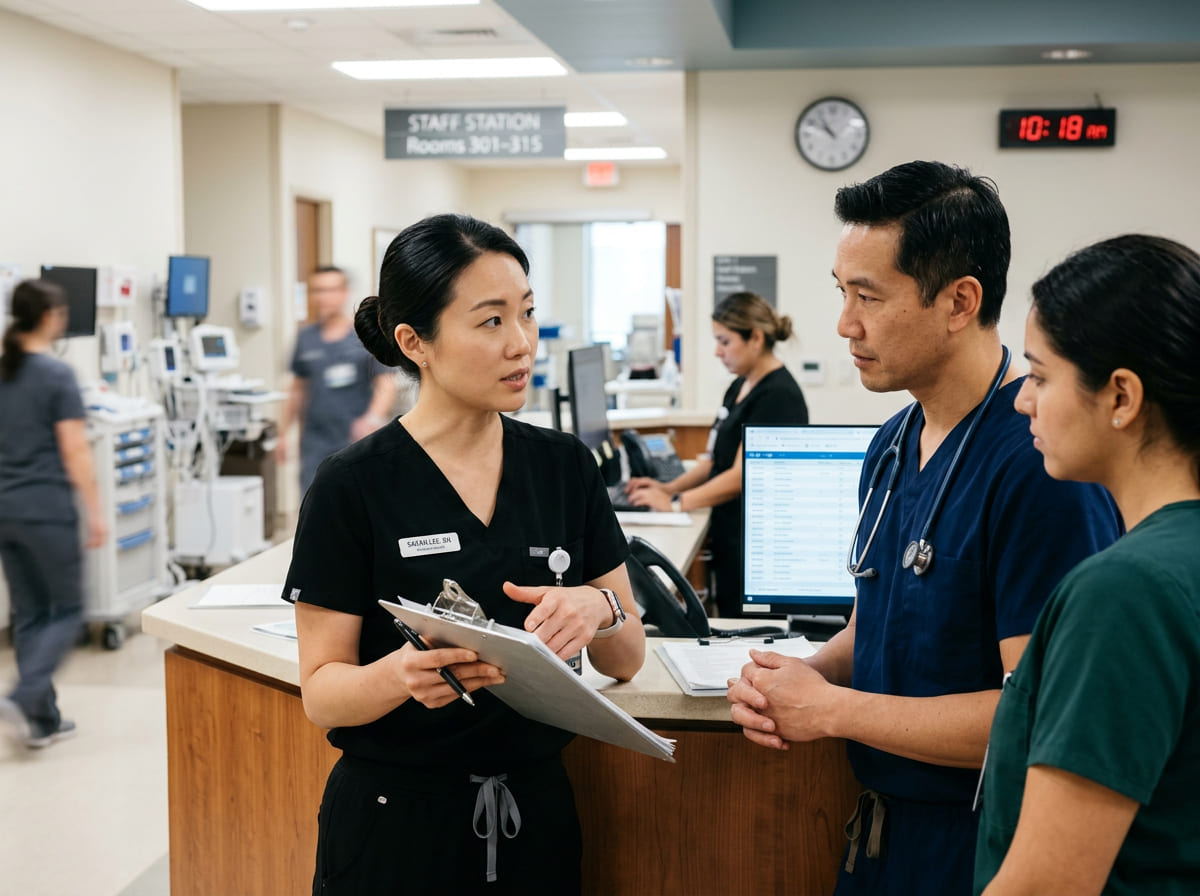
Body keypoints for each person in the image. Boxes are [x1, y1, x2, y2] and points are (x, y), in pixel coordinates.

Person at [726, 160, 1122, 895]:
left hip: (975, 842)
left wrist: (835, 711)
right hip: (878, 835)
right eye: (842, 293)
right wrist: (806, 676)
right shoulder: (892, 444)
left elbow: (1035, 714)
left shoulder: (1038, 466)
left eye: (869, 297)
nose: (846, 324)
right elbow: (880, 621)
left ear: (959, 301)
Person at [282, 213, 645, 894]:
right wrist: (400, 676)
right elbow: (323, 694)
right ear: (414, 342)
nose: (523, 344)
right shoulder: (352, 484)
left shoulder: (564, 467)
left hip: (534, 819)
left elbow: (625, 662)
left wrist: (599, 608)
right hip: (395, 829)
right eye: (491, 322)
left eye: (527, 315)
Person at [974, 235, 1200, 895]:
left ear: (1122, 398)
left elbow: (1045, 885)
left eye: (1041, 377)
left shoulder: (1126, 592)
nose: (1023, 400)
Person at [625, 291, 809, 616]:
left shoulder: (779, 396)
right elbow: (712, 460)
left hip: (755, 548)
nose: (717, 351)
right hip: (729, 533)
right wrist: (667, 489)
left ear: (755, 337)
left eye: (724, 341)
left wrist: (677, 504)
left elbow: (742, 475)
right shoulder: (740, 386)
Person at [0, 279, 106, 749]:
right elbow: (75, 451)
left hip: (6, 509)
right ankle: (24, 698)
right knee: (66, 610)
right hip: (45, 509)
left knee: (29, 613)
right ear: (49, 317)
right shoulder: (55, 375)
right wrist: (96, 511)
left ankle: (41, 720)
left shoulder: (5, 370)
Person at [276, 265, 397, 495]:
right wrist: (282, 434)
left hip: (355, 440)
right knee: (313, 504)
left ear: (344, 292)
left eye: (330, 290)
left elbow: (386, 383)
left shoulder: (363, 337)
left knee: (356, 507)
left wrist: (371, 419)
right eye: (317, 290)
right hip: (315, 443)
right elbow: (297, 389)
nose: (323, 297)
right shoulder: (306, 339)